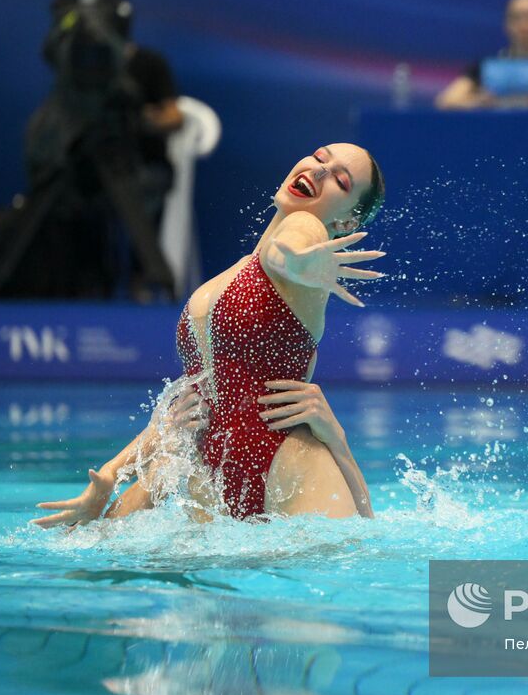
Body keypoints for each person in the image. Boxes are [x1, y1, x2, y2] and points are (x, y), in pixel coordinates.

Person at [33, 142, 387, 527]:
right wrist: (109, 475)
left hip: (291, 475)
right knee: (91, 547)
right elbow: (190, 412)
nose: (320, 171)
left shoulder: (305, 231)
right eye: (320, 158)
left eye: (339, 179)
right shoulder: (235, 273)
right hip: (209, 477)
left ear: (347, 224)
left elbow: (290, 248)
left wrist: (303, 260)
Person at [124, 40, 183, 298]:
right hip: (92, 167)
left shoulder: (149, 63)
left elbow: (175, 117)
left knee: (148, 185)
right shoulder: (78, 66)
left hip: (147, 167)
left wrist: (140, 121)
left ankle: (143, 283)